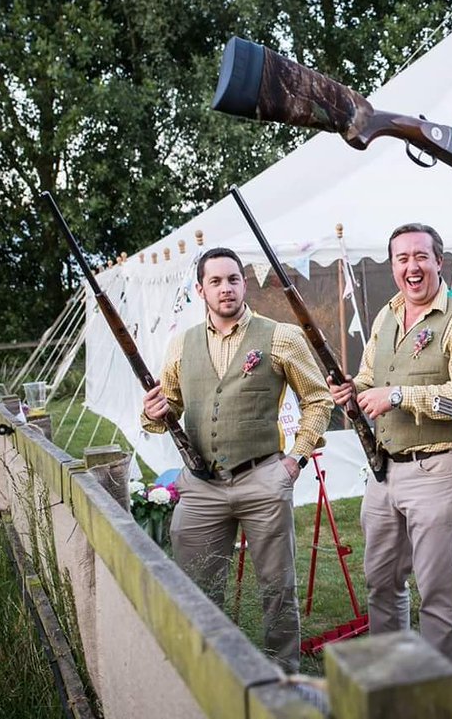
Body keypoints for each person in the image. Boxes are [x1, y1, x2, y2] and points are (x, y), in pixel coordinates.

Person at [141, 247, 333, 673]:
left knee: (277, 588)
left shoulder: (279, 336)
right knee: (196, 586)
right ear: (199, 289)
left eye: (233, 279)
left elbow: (318, 400)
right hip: (200, 487)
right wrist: (152, 413)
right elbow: (166, 408)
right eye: (216, 281)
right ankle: (208, 674)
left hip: (262, 477)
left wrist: (295, 461)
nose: (225, 288)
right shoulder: (181, 344)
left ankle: (283, 677)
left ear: (244, 284)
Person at [328, 223, 452, 671]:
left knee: (437, 595)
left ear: (439, 261)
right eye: (402, 258)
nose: (411, 267)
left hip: (437, 470)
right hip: (383, 473)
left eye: (421, 256)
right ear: (393, 265)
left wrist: (398, 396)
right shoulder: (387, 315)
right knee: (381, 584)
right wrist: (350, 389)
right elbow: (368, 378)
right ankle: (394, 682)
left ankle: (441, 699)